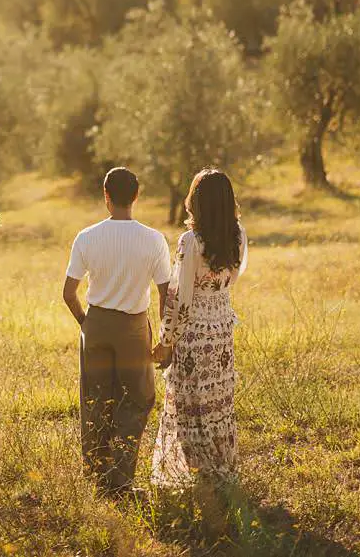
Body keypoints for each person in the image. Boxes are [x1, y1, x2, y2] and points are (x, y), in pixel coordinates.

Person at [62, 166, 171, 495]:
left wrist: (88, 324)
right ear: (136, 196)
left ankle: (95, 476)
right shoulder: (153, 239)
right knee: (138, 398)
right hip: (133, 327)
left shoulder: (87, 236)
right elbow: (166, 293)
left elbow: (68, 294)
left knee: (95, 398)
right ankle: (120, 479)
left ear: (106, 196)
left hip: (95, 323)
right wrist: (165, 339)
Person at [150, 168, 248, 495]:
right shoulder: (238, 235)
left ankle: (202, 477)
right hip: (221, 328)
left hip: (194, 332)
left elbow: (181, 297)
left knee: (190, 402)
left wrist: (166, 341)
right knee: (217, 400)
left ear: (200, 202)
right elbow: (233, 278)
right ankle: (219, 471)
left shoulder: (191, 241)